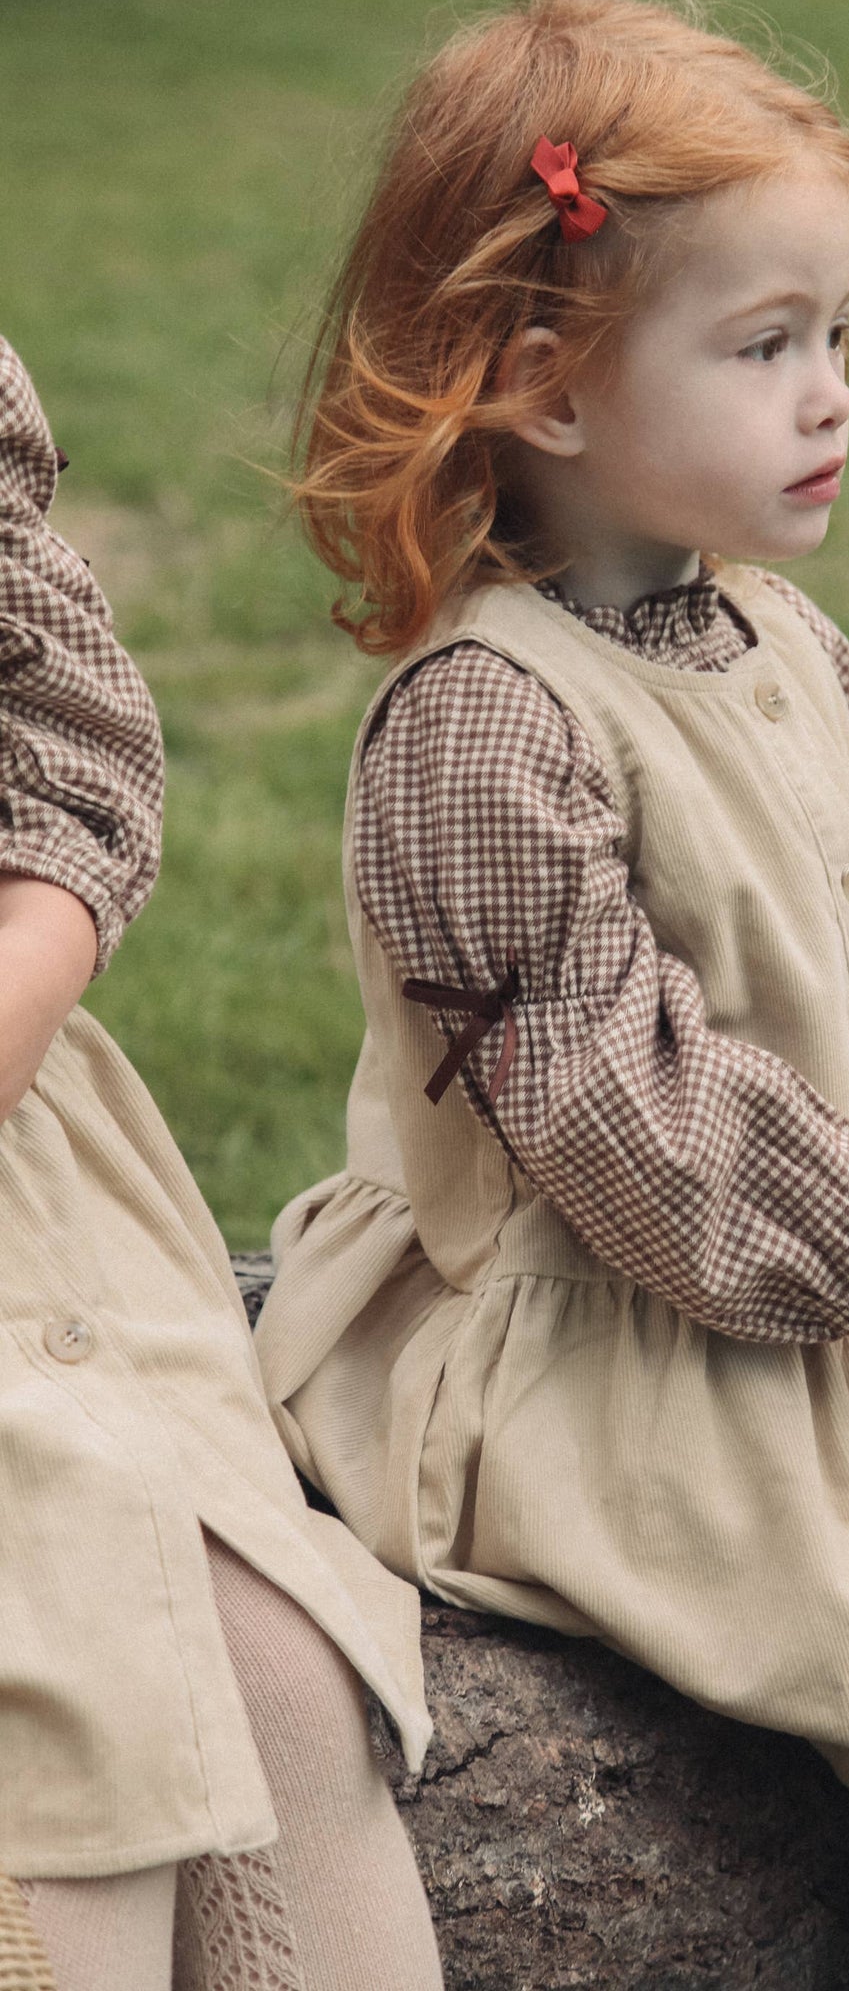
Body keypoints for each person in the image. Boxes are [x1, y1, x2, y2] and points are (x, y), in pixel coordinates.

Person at [255, 0, 849, 1990]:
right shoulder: (483, 728)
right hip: (624, 1330)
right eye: (766, 341)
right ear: (544, 381)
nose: (835, 391)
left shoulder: (782, 645)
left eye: (841, 331)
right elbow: (621, 1103)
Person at [0, 336, 445, 1991]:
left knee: (278, 1680)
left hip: (34, 1177)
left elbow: (68, 735)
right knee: (63, 1747)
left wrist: (22, 979)